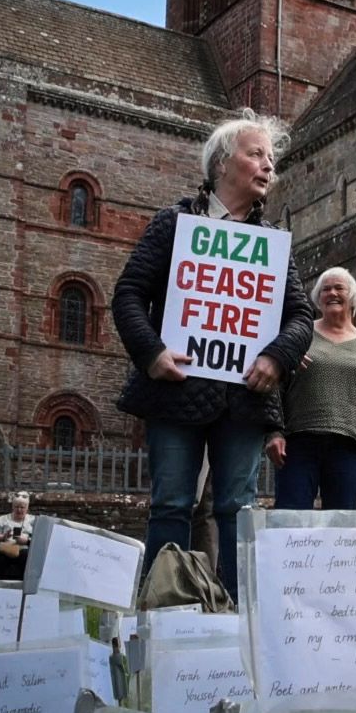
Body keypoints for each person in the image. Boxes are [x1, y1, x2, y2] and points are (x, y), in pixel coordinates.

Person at [112, 109, 314, 595]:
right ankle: (166, 612)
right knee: (172, 505)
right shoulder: (173, 225)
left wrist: (276, 358)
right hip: (176, 392)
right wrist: (152, 352)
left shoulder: (271, 244)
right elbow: (129, 295)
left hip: (244, 398)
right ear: (222, 163)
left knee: (237, 508)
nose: (268, 165)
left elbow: (300, 317)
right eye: (256, 154)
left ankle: (238, 621)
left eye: (271, 158)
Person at [268, 268, 356, 509]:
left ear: (353, 296)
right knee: (291, 521)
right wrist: (273, 432)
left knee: (341, 526)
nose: (332, 293)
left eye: (339, 288)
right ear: (317, 298)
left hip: (349, 446)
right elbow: (274, 386)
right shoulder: (299, 337)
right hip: (298, 443)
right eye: (326, 289)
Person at [0, 492, 35, 580]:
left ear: (27, 508)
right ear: (12, 507)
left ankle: (25, 587)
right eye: (16, 507)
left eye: (22, 507)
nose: (19, 510)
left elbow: (40, 540)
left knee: (26, 556)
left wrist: (27, 541)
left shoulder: (33, 520)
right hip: (5, 549)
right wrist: (3, 536)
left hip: (23, 550)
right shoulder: (2, 519)